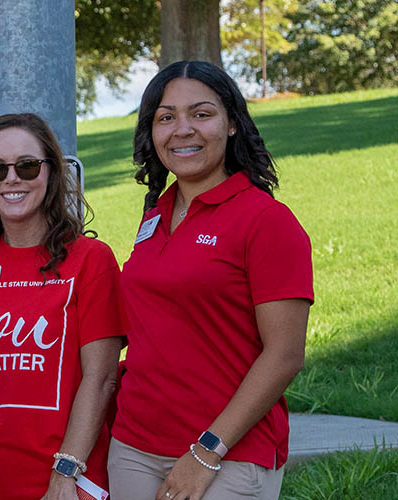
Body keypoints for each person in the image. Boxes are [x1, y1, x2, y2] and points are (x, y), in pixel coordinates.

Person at [109, 60, 313, 500]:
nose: (182, 129)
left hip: (229, 451)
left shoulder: (266, 221)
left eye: (201, 114)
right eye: (167, 117)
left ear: (233, 124)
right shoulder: (155, 217)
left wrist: (206, 451)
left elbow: (285, 355)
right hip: (133, 447)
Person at [0, 113, 126, 500]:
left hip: (62, 485)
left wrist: (64, 475)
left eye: (27, 166)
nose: (11, 179)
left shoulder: (91, 260)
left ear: (51, 172)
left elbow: (100, 381)